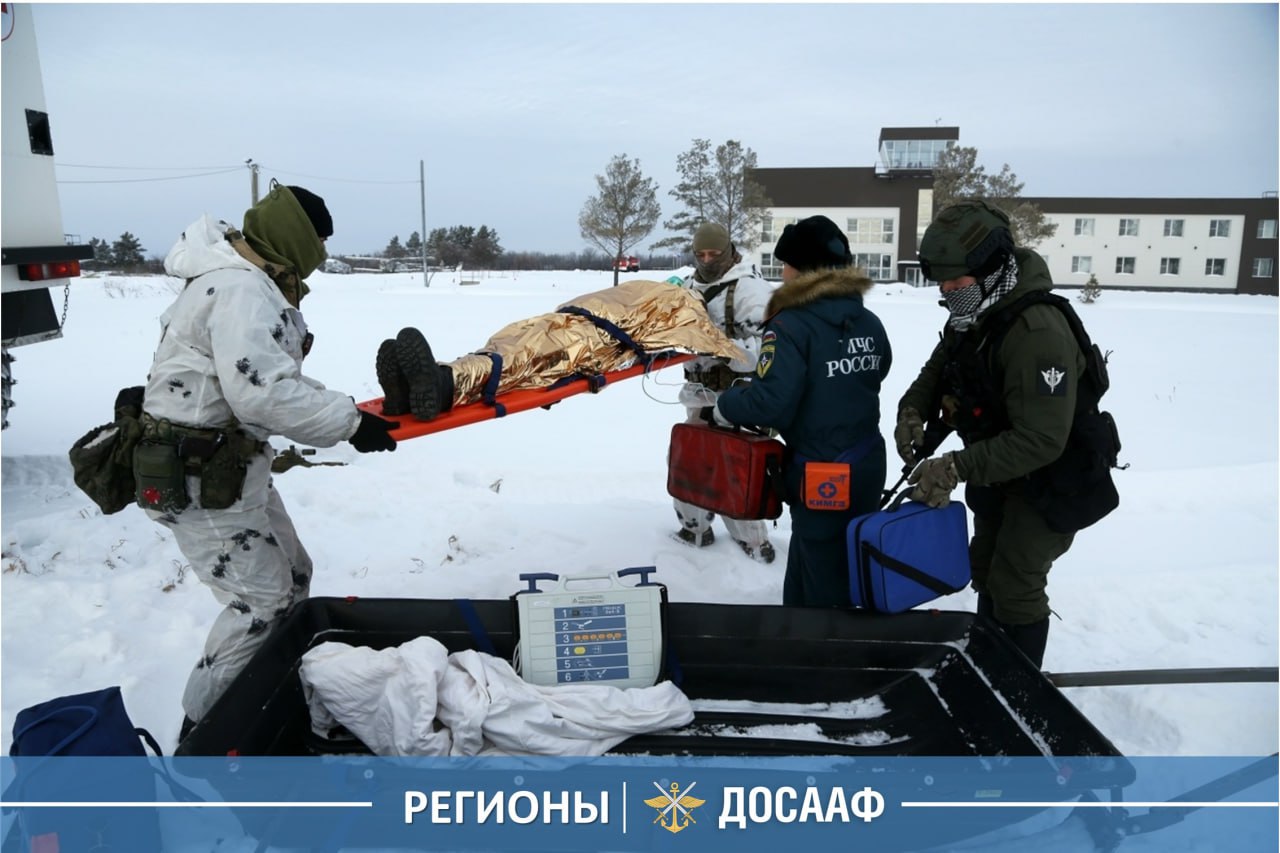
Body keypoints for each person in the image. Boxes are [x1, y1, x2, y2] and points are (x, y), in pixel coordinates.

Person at [140, 182, 400, 737]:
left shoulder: (248, 280)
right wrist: (350, 425)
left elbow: (270, 378)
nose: (322, 254)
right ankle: (204, 731)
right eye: (320, 241)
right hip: (197, 475)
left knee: (294, 576)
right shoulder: (240, 288)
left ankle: (269, 690)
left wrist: (348, 410)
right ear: (296, 236)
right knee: (260, 602)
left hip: (233, 470)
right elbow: (260, 394)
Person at [895, 200, 1085, 668]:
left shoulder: (1038, 332)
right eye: (941, 283)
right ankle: (986, 667)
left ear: (992, 268)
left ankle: (1018, 690)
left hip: (1052, 480)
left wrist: (954, 467)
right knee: (985, 568)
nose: (946, 292)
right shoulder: (977, 311)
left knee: (1016, 584)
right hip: (999, 472)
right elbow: (938, 368)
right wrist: (912, 411)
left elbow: (1042, 438)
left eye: (956, 283)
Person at [711, 215, 892, 606]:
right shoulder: (869, 321)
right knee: (844, 562)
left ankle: (824, 643)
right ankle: (804, 629)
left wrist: (726, 405)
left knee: (824, 583)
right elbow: (879, 370)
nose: (782, 273)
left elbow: (771, 403)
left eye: (787, 264)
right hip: (868, 464)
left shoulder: (790, 325)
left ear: (803, 269)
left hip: (822, 474)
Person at [372, 278, 745, 421]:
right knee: (518, 361)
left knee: (509, 353)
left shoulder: (652, 288)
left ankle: (431, 383)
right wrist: (730, 349)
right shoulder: (683, 305)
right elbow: (705, 340)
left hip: (568, 324)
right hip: (585, 335)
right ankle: (437, 386)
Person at [668, 222, 777, 563]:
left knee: (735, 469)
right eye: (700, 254)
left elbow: (768, 351)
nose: (707, 260)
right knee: (690, 461)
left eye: (714, 253)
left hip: (739, 396)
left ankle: (754, 542)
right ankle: (695, 527)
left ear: (728, 251)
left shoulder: (751, 291)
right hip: (698, 393)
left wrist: (719, 347)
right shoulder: (688, 287)